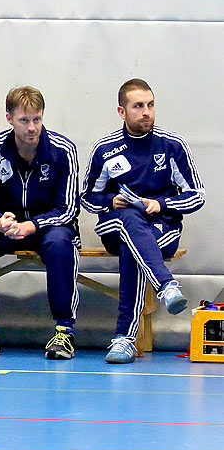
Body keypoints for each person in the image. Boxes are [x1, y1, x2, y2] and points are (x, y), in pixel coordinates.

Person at [82, 79, 204, 364]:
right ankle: (166, 285)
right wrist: (111, 202)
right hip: (115, 224)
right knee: (127, 219)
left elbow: (196, 195)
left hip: (161, 227)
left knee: (133, 249)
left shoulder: (172, 145)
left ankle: (124, 338)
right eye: (138, 106)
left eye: (150, 105)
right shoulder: (106, 149)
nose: (146, 112)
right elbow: (86, 199)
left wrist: (159, 204)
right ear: (122, 111)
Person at [0, 87, 81, 359]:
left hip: (49, 228)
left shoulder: (63, 150)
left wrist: (32, 225)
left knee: (62, 243)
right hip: (8, 227)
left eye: (37, 119)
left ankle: (64, 331)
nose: (32, 127)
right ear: (9, 119)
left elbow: (69, 208)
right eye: (24, 120)